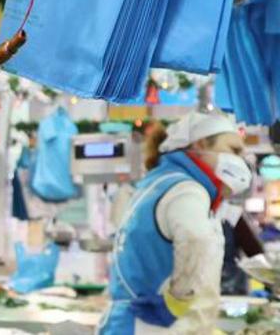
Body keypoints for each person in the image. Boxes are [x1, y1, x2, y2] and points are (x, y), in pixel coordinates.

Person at [100, 111, 252, 334]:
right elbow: (195, 238)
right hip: (157, 327)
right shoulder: (187, 190)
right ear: (200, 144)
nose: (240, 160)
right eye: (234, 150)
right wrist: (177, 302)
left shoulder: (160, 182)